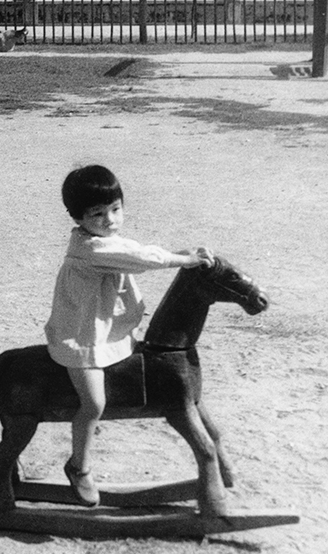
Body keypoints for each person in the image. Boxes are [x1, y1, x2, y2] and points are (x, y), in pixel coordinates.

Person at [44, 165, 213, 506]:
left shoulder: (105, 240)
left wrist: (179, 258)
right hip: (82, 340)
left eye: (116, 209)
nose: (110, 220)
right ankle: (79, 466)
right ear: (77, 218)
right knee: (94, 404)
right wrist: (185, 259)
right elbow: (141, 257)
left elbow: (137, 251)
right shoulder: (90, 250)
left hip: (109, 332)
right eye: (97, 214)